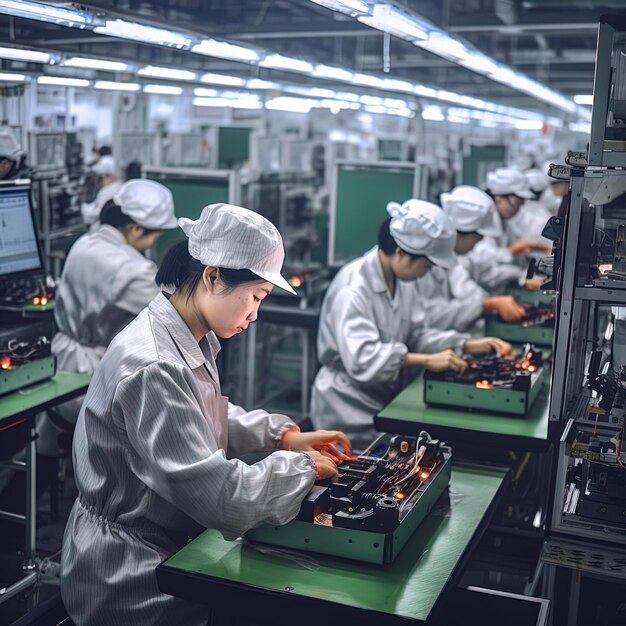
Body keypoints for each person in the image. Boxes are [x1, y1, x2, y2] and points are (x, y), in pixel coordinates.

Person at [60, 203, 351, 625]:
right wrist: (300, 467)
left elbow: (199, 413)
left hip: (164, 543)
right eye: (254, 297)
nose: (255, 313)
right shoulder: (155, 364)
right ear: (212, 275)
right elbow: (223, 499)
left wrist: (281, 436)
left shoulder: (185, 333)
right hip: (132, 576)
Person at [311, 199, 511, 451]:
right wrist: (425, 360)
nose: (427, 274)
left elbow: (417, 334)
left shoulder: (403, 283)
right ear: (401, 253)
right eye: (426, 266)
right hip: (347, 406)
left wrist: (465, 344)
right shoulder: (353, 289)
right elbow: (362, 358)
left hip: (382, 398)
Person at [37, 179, 178, 456]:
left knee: (44, 458)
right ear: (137, 229)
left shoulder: (85, 242)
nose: (153, 243)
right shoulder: (131, 269)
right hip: (93, 377)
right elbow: (175, 310)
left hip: (61, 366)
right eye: (155, 236)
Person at [415, 186, 526, 331]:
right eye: (477, 239)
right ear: (459, 234)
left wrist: (519, 276)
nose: (477, 245)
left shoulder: (457, 255)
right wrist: (486, 304)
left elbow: (486, 272)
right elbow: (432, 319)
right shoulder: (427, 265)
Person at [460, 168, 548, 293]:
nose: (521, 205)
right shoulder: (484, 224)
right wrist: (511, 254)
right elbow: (485, 262)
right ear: (499, 197)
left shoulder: (505, 222)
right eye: (518, 200)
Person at [80, 154, 121, 225]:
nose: (102, 181)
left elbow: (98, 213)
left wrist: (84, 209)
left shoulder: (109, 191)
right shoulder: (118, 186)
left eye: (103, 177)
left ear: (109, 176)